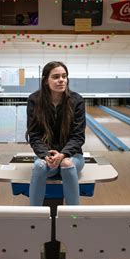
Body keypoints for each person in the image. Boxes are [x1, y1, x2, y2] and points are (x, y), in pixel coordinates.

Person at [26, 61, 86, 206]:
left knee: (66, 164)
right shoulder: (35, 100)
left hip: (72, 156)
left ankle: (73, 217)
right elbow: (34, 135)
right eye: (56, 77)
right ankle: (34, 215)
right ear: (46, 80)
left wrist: (63, 154)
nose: (61, 80)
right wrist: (46, 155)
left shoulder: (76, 100)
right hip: (47, 158)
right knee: (39, 166)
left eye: (64, 76)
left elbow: (78, 136)